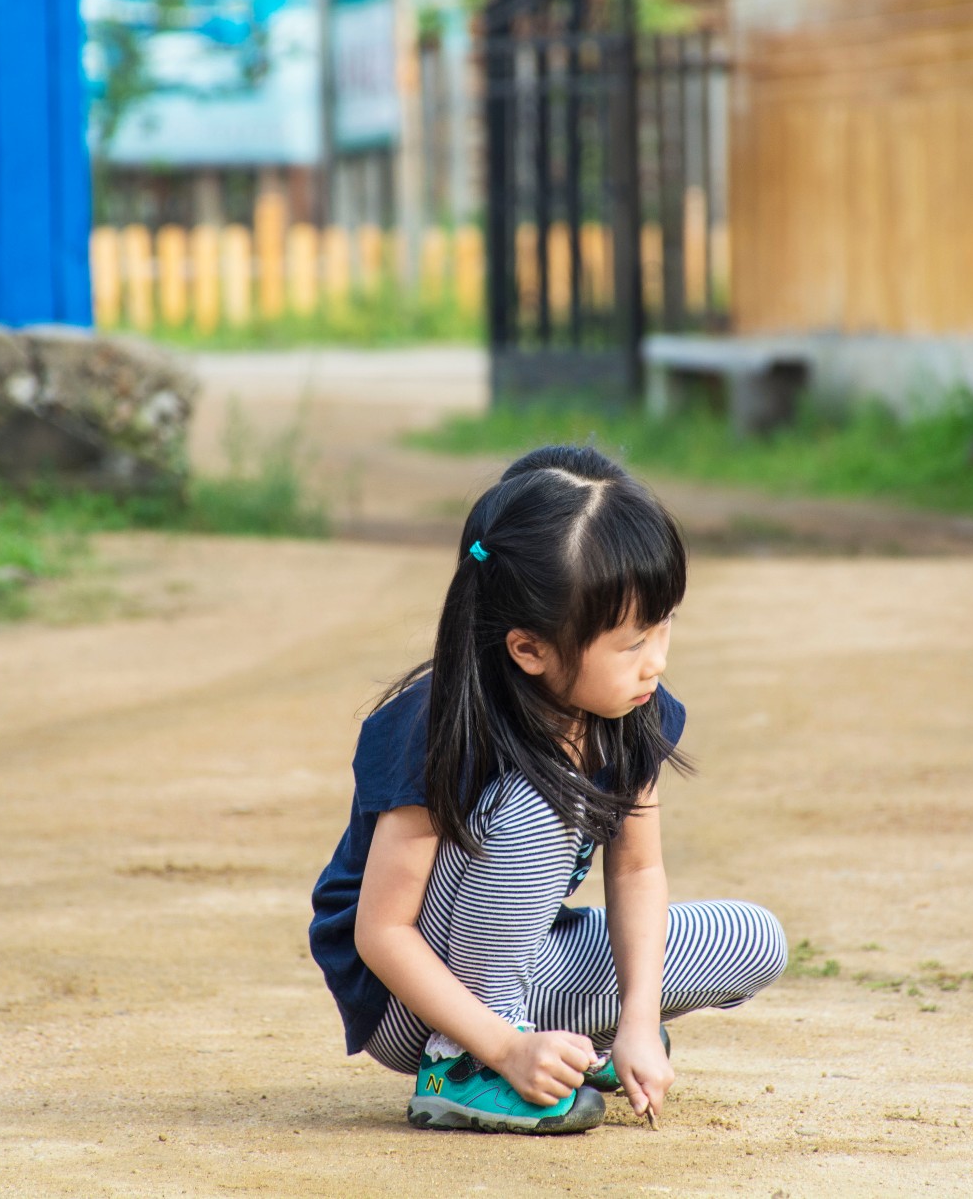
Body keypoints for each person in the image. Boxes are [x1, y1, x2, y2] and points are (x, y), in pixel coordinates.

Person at [308, 444, 789, 1134]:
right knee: (543, 791)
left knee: (754, 939)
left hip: (518, 953)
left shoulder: (632, 708)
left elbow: (639, 868)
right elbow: (381, 931)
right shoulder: (436, 723)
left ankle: (554, 1041)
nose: (656, 661)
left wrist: (638, 1023)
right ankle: (467, 1064)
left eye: (664, 625)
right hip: (407, 997)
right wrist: (502, 1044)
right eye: (630, 643)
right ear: (529, 647)